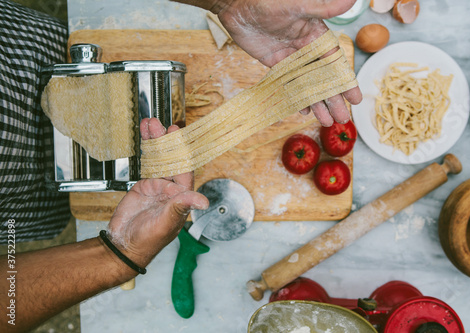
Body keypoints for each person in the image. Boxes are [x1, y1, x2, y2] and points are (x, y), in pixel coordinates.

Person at [0, 0, 362, 331]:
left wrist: (232, 5)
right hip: (22, 191)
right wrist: (117, 257)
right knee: (49, 208)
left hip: (20, 50)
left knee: (46, 50)